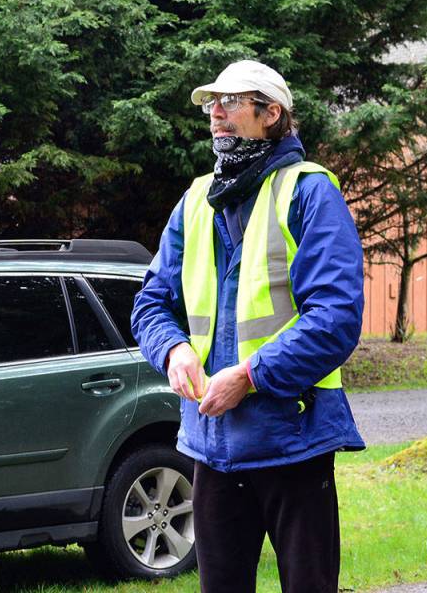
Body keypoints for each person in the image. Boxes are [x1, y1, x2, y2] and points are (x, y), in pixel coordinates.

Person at [131, 60, 365, 593]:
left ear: (271, 113)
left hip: (294, 441)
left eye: (231, 102)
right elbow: (151, 303)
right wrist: (172, 351)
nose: (216, 112)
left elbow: (336, 318)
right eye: (211, 103)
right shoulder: (194, 200)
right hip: (211, 448)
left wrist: (250, 376)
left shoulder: (309, 192)